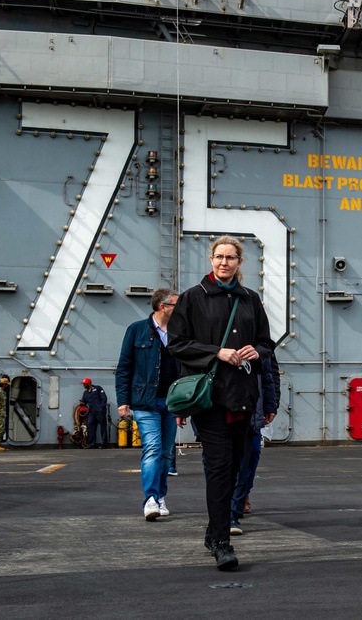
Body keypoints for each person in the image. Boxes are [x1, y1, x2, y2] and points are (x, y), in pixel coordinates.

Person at [168, 235, 274, 571]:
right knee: (218, 469)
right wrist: (217, 352)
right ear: (211, 259)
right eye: (218, 256)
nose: (224, 262)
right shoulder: (192, 298)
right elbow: (177, 344)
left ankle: (214, 533)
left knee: (235, 468)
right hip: (211, 399)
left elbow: (266, 343)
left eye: (230, 257)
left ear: (240, 262)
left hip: (243, 397)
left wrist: (258, 352)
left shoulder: (250, 300)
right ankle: (222, 542)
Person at [116, 288, 183, 521]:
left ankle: (161, 496)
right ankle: (151, 499)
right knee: (153, 449)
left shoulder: (180, 333)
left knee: (165, 453)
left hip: (172, 402)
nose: (181, 309)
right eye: (177, 305)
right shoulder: (136, 330)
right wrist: (123, 401)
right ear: (163, 307)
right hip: (145, 402)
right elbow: (124, 367)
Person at [230, 354, 280, 535]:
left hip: (252, 410)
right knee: (220, 462)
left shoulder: (259, 342)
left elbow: (270, 374)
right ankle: (229, 511)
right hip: (222, 407)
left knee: (250, 458)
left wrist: (271, 404)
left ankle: (239, 500)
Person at [80, 378, 109, 448]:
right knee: (90, 425)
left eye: (85, 384)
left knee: (102, 426)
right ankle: (92, 444)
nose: (83, 385)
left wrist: (101, 407)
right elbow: (84, 401)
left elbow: (104, 398)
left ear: (89, 383)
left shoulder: (98, 388)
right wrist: (82, 403)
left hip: (100, 411)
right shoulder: (85, 393)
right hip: (91, 412)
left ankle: (104, 444)